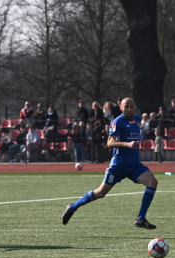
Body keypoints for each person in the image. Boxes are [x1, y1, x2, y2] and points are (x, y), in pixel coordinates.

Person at [62, 97, 159, 230]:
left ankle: (141, 218)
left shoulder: (136, 120)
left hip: (134, 165)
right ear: (121, 107)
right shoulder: (117, 122)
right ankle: (73, 207)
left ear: (135, 107)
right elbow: (110, 143)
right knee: (101, 193)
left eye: (131, 106)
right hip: (118, 166)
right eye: (126, 106)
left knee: (152, 182)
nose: (129, 109)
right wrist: (127, 144)